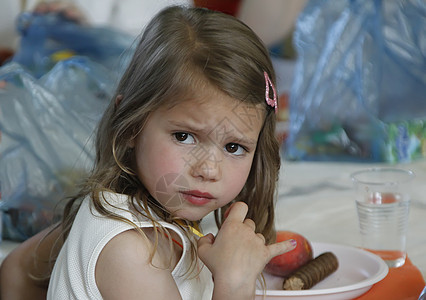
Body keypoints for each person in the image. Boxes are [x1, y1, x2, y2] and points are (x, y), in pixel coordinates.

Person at [1, 5, 296, 300]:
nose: (208, 169)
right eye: (184, 137)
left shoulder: (125, 209)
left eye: (234, 147)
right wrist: (234, 284)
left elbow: (15, 268)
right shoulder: (130, 251)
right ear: (131, 126)